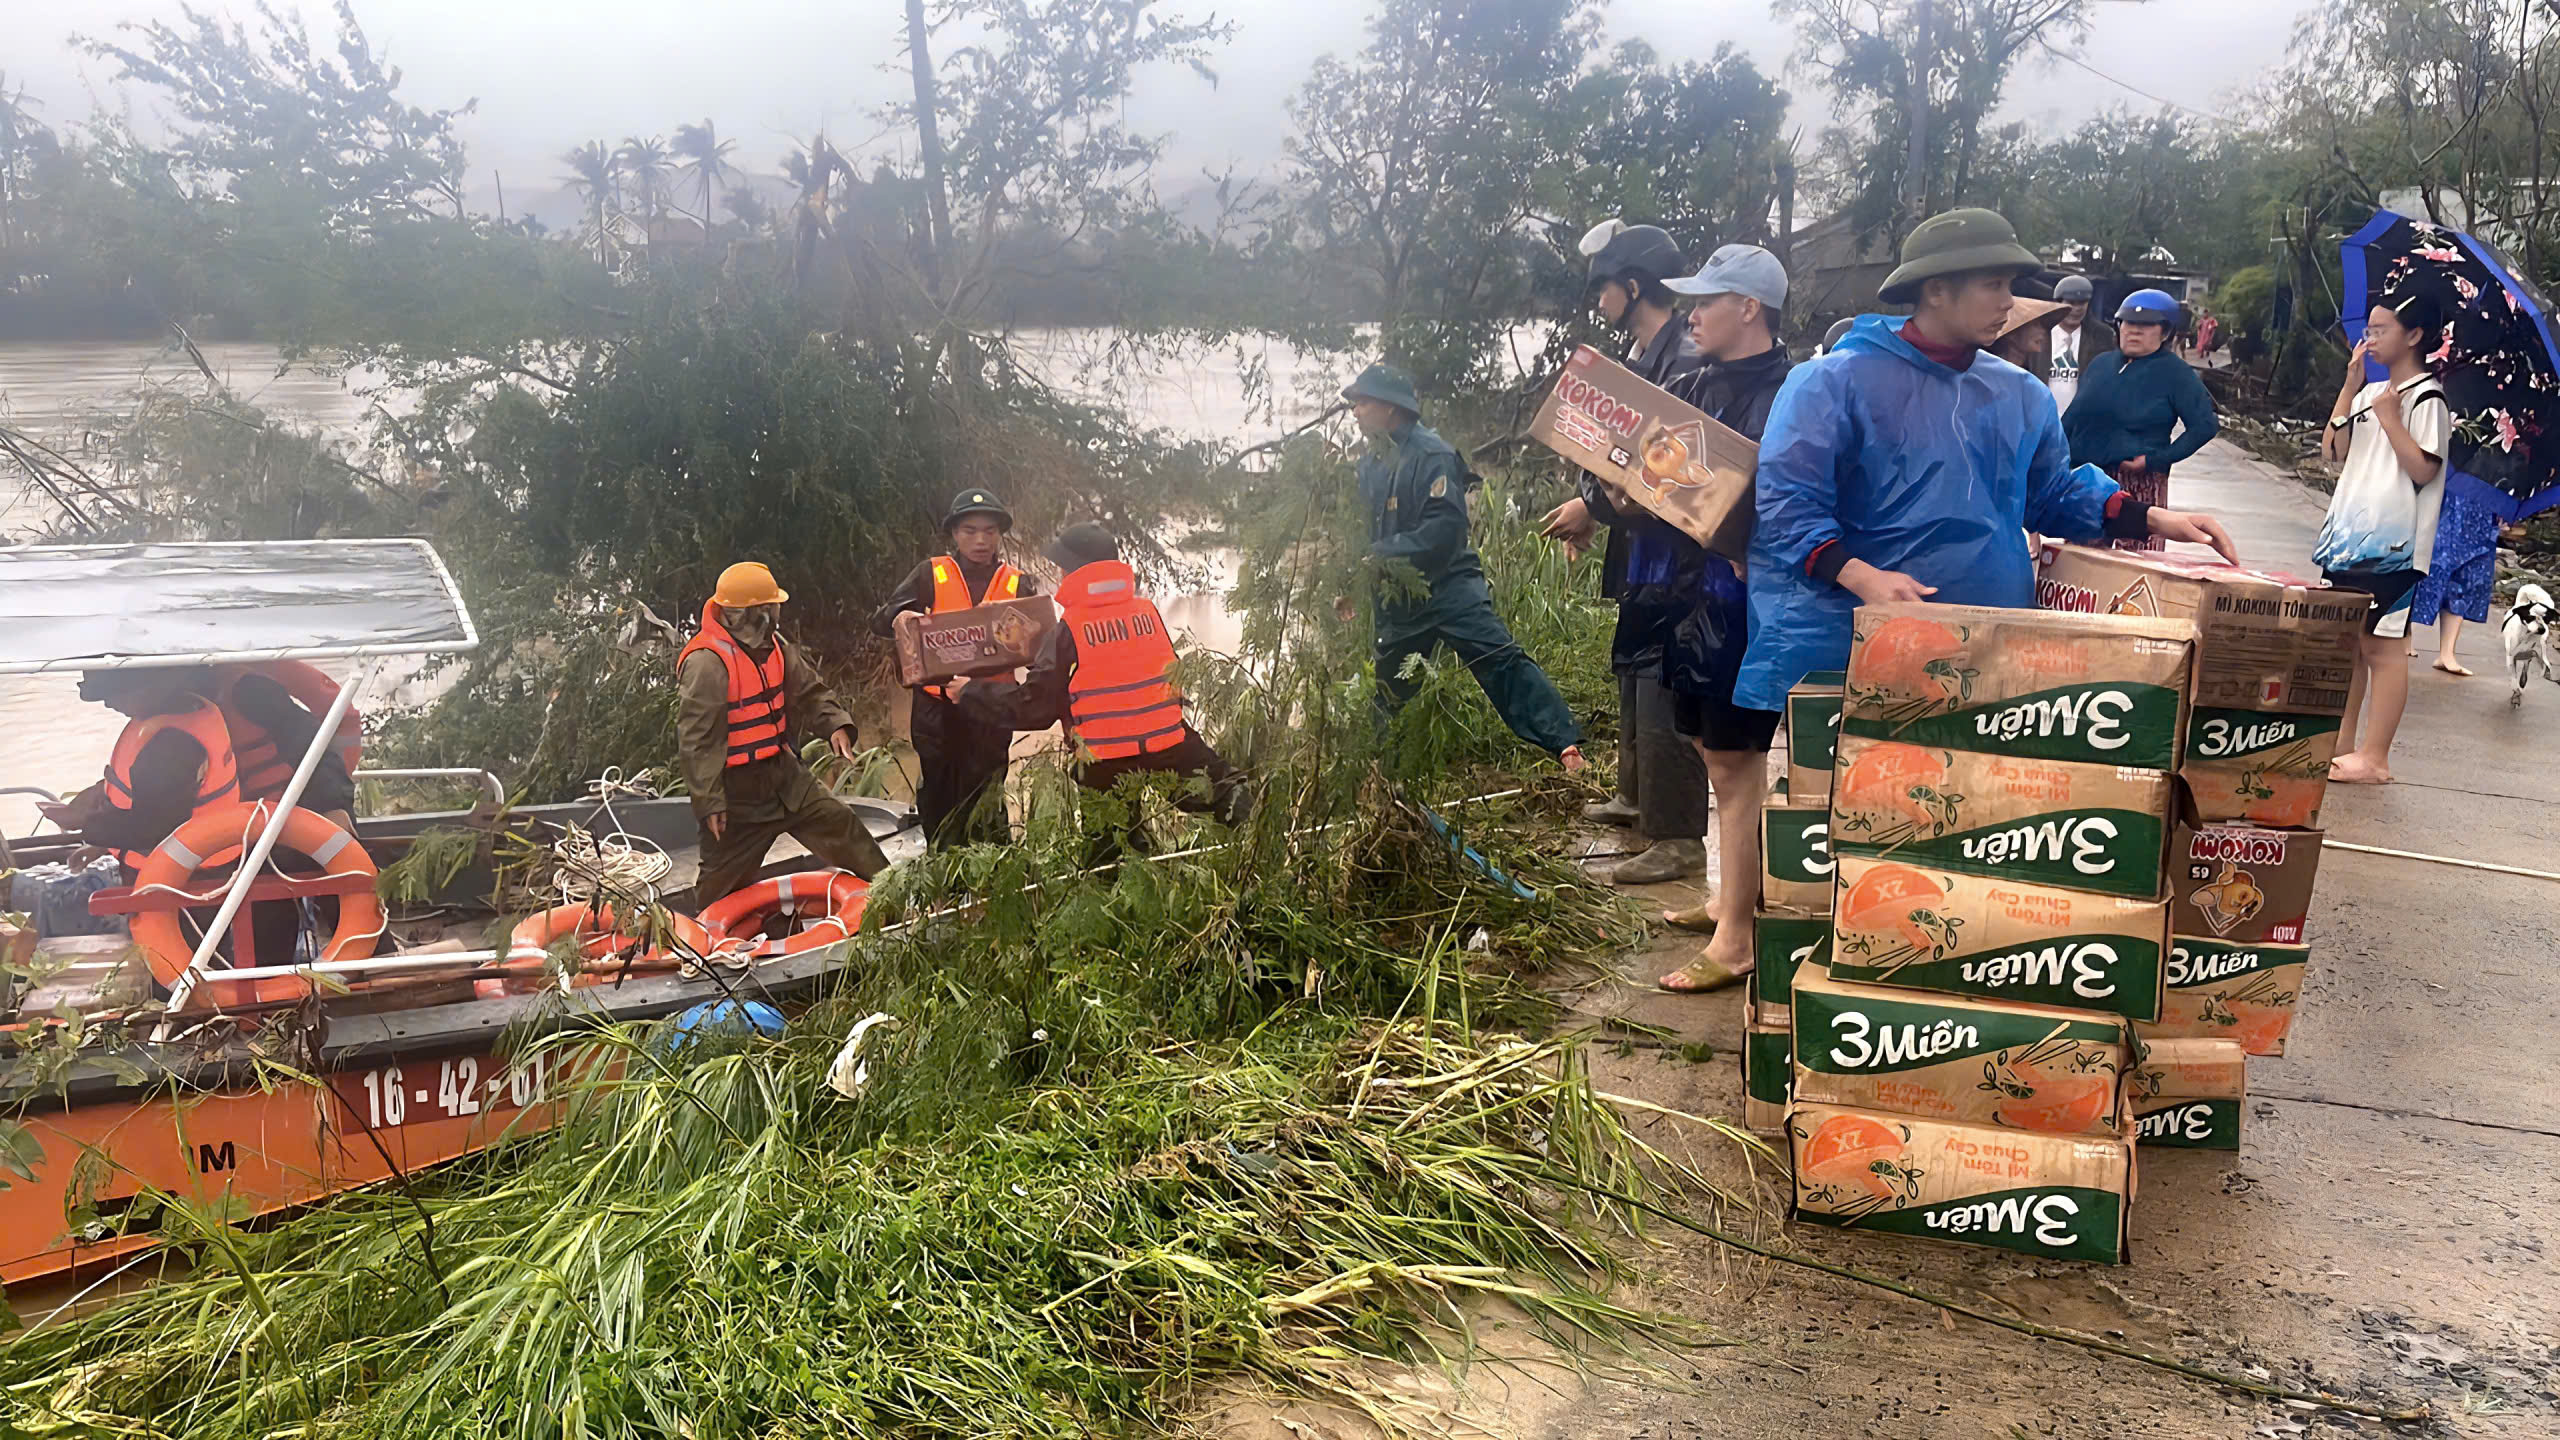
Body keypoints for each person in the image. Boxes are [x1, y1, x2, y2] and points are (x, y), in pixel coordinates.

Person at [1738, 208, 2240, 713]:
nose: (2010, 302)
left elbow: (2049, 494)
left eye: (2011, 285)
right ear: (1936, 289)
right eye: (1994, 285)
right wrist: (1861, 577)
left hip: (1988, 651)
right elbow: (1787, 502)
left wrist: (2153, 517)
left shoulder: (2018, 393)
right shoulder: (1832, 383)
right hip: (1865, 648)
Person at [1536, 221, 1705, 882]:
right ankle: (1638, 798)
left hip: (1676, 554)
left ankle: (1678, 834)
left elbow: (1674, 470)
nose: (1599, 299)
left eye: (1605, 286)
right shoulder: (1642, 360)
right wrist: (1595, 507)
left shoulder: (1685, 361)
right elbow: (1609, 456)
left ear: (1633, 287)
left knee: (1666, 678)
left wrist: (1595, 507)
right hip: (1641, 550)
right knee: (1634, 667)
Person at [1647, 244, 1794, 991]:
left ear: (1751, 308)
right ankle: (1732, 895)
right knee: (1713, 753)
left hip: (1744, 601)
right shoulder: (1694, 383)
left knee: (1738, 765)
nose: (1692, 313)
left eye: (1708, 300)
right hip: (1689, 593)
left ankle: (1738, 936)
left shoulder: (1795, 392)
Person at [948, 522, 1249, 861]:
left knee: (1112, 853)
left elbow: (1035, 708)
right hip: (1171, 745)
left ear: (1073, 571)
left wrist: (971, 692)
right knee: (1230, 797)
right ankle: (1268, 852)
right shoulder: (1147, 613)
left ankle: (1123, 889)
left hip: (1103, 761)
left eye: (1062, 565)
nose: (1058, 571)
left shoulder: (1069, 629)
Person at [1344, 363, 1589, 771]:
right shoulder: (1370, 465)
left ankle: (1566, 747)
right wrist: (1352, 578)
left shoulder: (1432, 455)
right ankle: (1383, 777)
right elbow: (1361, 531)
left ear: (1390, 409)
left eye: (1362, 402)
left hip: (1449, 586)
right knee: (1389, 691)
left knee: (1501, 661)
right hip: (1402, 600)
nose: (1355, 412)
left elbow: (1444, 529)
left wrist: (1382, 554)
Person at [676, 561, 888, 903]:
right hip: (738, 795)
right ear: (750, 614)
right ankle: (709, 947)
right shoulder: (706, 663)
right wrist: (709, 802)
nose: (775, 615)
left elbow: (810, 692)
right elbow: (696, 742)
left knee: (841, 826)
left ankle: (895, 899)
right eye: (770, 608)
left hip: (785, 775)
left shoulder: (776, 645)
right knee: (719, 889)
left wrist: (835, 724)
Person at [2313, 293, 2453, 784]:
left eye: (2381, 330)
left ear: (2413, 336)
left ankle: (2376, 758)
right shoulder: (2370, 393)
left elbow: (2422, 468)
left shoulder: (2426, 398)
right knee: (2350, 645)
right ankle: (2344, 744)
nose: (2369, 339)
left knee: (2383, 647)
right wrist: (2351, 387)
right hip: (2348, 538)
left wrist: (2392, 417)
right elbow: (2334, 450)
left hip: (2393, 547)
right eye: (2368, 330)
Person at [871, 488, 1039, 848]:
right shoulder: (930, 574)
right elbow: (880, 621)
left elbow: (1040, 647)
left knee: (988, 798)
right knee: (938, 795)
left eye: (990, 531)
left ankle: (989, 877)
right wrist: (899, 616)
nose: (981, 540)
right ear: (954, 534)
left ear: (1000, 535)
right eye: (970, 531)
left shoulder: (1017, 582)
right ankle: (942, 873)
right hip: (937, 711)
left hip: (991, 707)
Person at [2062, 288, 2219, 551]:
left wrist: (2156, 459)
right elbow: (2074, 416)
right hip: (2089, 481)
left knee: (2133, 571)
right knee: (2081, 563)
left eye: (2146, 326)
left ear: (2165, 332)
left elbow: (2205, 425)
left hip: (2138, 483)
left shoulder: (2175, 372)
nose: (2134, 331)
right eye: (2128, 323)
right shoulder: (2101, 364)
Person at [2406, 491, 2498, 677]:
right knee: (2425, 567)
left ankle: (2447, 653)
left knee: (2465, 578)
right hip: (2444, 497)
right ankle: (2404, 635)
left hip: (2481, 507)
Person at [2045, 274, 2113, 413]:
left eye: (2081, 303)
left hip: (2081, 421)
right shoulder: (2039, 333)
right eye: (2071, 302)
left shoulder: (2101, 337)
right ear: (2058, 302)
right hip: (2042, 418)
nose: (2076, 309)